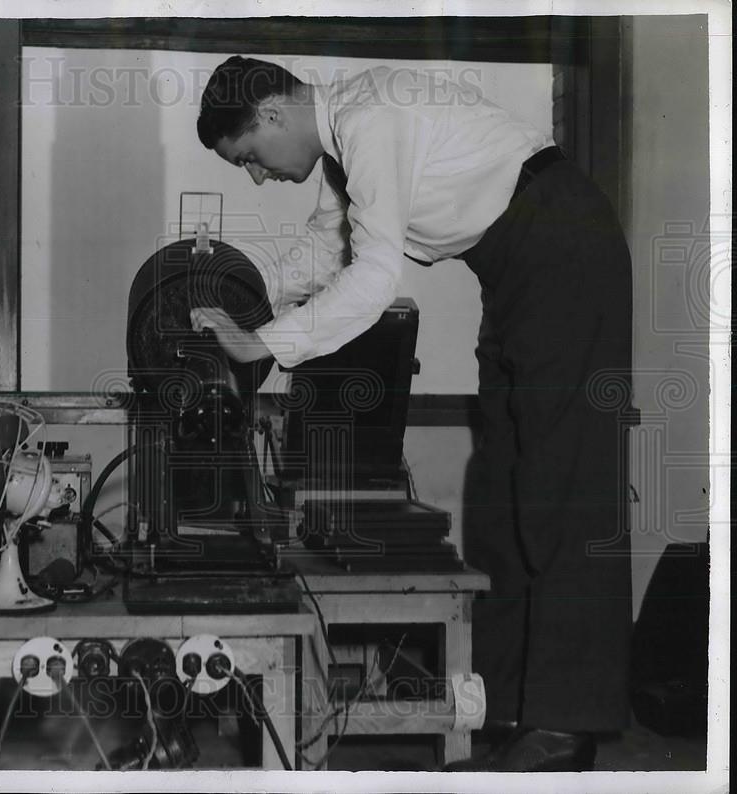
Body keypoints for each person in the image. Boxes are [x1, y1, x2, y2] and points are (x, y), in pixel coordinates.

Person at [191, 56, 633, 772]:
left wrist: (263, 344)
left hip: (561, 244)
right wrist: (238, 298)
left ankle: (564, 727)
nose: (257, 175)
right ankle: (515, 713)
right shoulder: (342, 141)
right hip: (517, 264)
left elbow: (372, 277)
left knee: (562, 486)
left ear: (271, 114)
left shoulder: (368, 120)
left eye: (249, 158)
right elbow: (322, 250)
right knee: (501, 488)